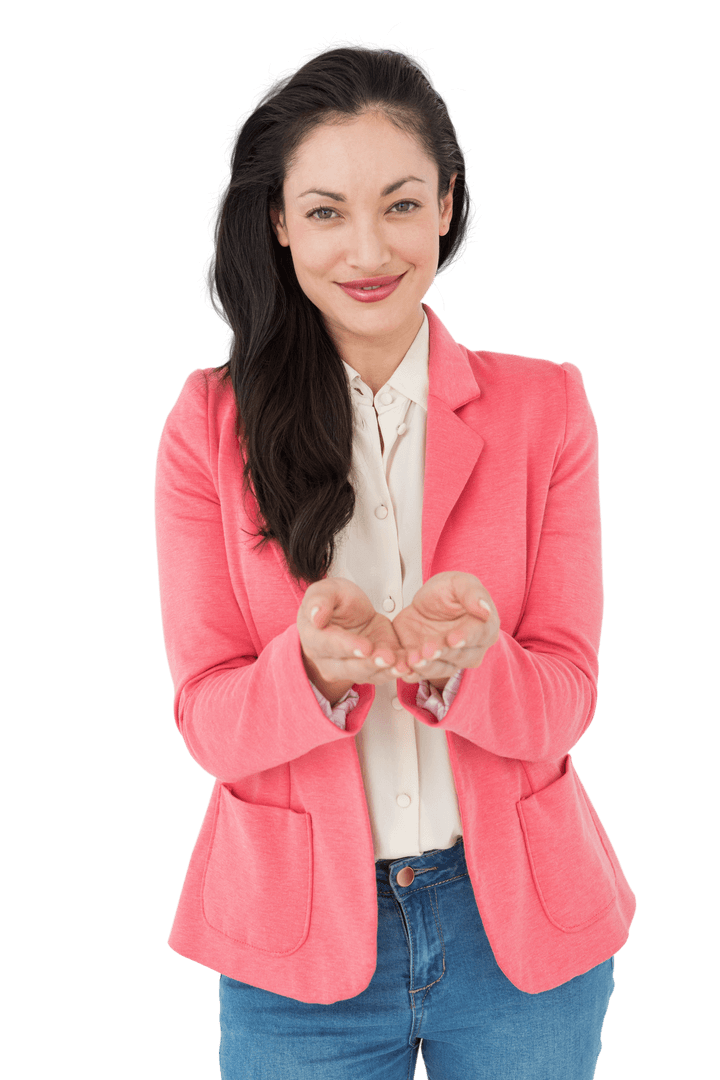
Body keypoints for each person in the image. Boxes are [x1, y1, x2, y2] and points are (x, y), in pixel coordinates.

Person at [154, 38, 636, 1080]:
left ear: (447, 206)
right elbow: (206, 718)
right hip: (297, 942)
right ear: (279, 222)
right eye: (326, 211)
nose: (368, 249)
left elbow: (568, 695)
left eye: (402, 204)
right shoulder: (209, 424)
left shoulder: (548, 407)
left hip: (518, 937)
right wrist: (310, 671)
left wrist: (474, 661)